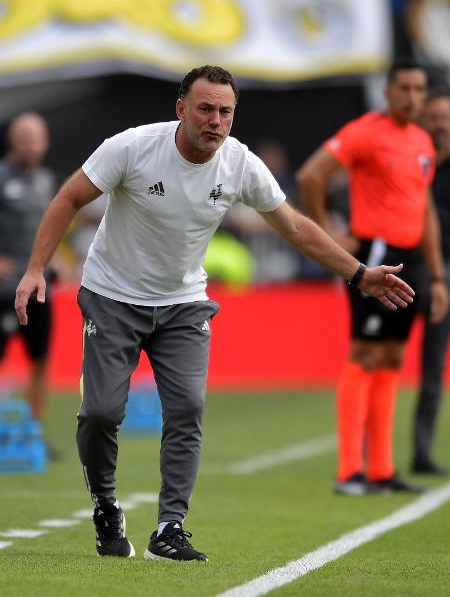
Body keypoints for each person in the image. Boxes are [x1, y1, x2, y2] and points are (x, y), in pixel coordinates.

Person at [15, 65, 414, 561]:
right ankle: (105, 505)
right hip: (112, 296)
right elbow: (70, 197)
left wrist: (358, 274)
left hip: (183, 304)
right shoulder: (134, 147)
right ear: (181, 109)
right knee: (100, 413)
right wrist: (36, 269)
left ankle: (169, 528)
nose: (216, 121)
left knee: (187, 409)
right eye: (205, 109)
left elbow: (293, 226)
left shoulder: (240, 164)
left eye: (225, 111)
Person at [296, 61, 448, 496]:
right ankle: (349, 471)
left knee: (393, 358)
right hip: (377, 254)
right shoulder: (365, 131)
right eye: (405, 88)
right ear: (388, 91)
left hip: (412, 257)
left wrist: (436, 276)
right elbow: (311, 175)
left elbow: (425, 211)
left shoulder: (421, 141)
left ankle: (381, 469)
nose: (413, 97)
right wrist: (328, 235)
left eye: (419, 89)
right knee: (365, 352)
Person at [0, 112, 61, 458]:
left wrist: (59, 258)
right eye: (23, 137)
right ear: (12, 140)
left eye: (35, 138)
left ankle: (32, 434)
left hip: (37, 287)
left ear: (45, 142)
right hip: (3, 290)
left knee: (40, 359)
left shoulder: (45, 180)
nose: (29, 144)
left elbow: (51, 225)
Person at [412, 88, 450, 475]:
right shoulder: (412, 163)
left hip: (443, 277)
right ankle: (372, 459)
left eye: (445, 118)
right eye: (433, 117)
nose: (439, 124)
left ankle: (421, 453)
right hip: (404, 270)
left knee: (433, 369)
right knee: (379, 359)